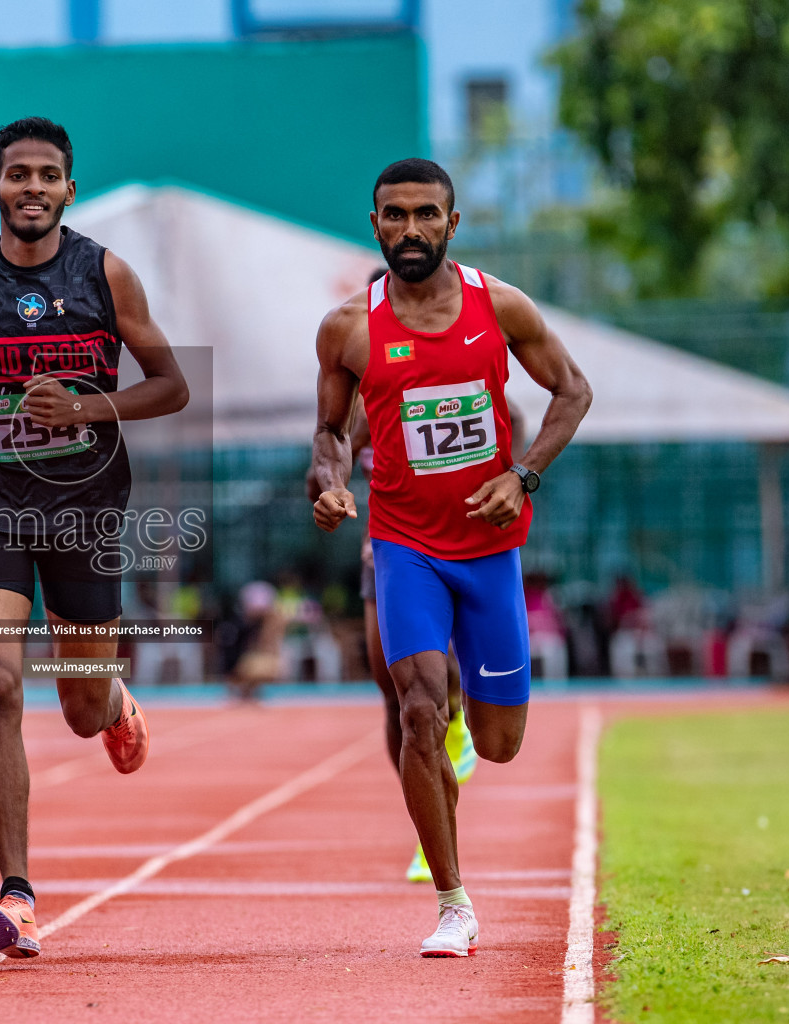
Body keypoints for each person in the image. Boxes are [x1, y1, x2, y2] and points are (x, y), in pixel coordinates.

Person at [0, 117, 188, 959]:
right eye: (17, 174)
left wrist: (87, 406)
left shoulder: (106, 275)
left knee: (78, 706)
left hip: (86, 503)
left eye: (48, 175)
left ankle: (113, 703)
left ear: (70, 189)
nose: (33, 187)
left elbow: (171, 386)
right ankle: (17, 895)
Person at [310, 158, 591, 957]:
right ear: (375, 226)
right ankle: (453, 902)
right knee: (418, 707)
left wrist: (523, 473)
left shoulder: (499, 306)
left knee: (500, 743)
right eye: (393, 216)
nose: (409, 230)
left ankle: (470, 727)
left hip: (490, 551)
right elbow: (329, 431)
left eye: (425, 215)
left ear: (451, 224)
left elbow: (573, 390)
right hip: (404, 546)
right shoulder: (348, 329)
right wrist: (328, 483)